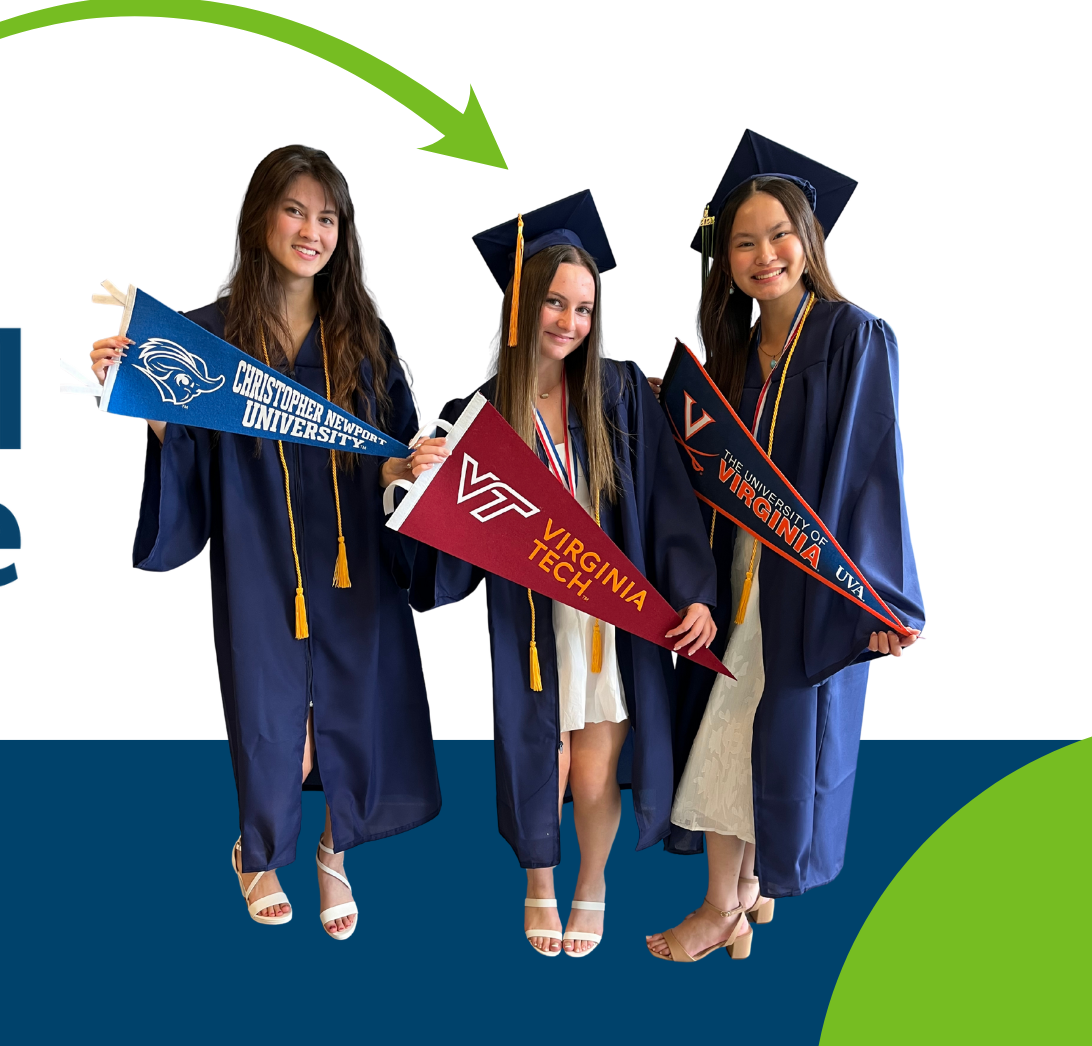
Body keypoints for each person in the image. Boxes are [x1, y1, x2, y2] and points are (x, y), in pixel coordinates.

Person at [87, 145, 438, 940]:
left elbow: (393, 450)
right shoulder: (208, 338)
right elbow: (190, 451)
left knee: (357, 705)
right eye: (294, 210)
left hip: (350, 556)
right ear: (260, 219)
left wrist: (409, 467)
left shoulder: (364, 336)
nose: (312, 231)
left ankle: (333, 849)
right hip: (261, 553)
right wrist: (144, 404)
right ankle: (259, 852)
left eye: (328, 217)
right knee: (271, 712)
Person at [404, 191, 718, 957]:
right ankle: (540, 881)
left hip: (611, 612)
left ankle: (593, 883)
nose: (569, 322)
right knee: (545, 759)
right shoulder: (476, 412)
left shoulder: (622, 391)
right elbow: (454, 548)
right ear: (521, 304)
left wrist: (696, 594)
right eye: (553, 302)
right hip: (533, 616)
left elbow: (670, 503)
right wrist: (420, 482)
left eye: (583, 308)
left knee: (597, 768)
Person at [646, 131, 926, 963]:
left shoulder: (852, 336)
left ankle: (723, 906)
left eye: (779, 235)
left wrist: (879, 598)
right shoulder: (734, 355)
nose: (764, 255)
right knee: (742, 727)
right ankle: (749, 891)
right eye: (743, 242)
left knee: (745, 727)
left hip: (806, 581)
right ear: (723, 260)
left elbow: (873, 467)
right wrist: (668, 409)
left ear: (810, 240)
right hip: (735, 573)